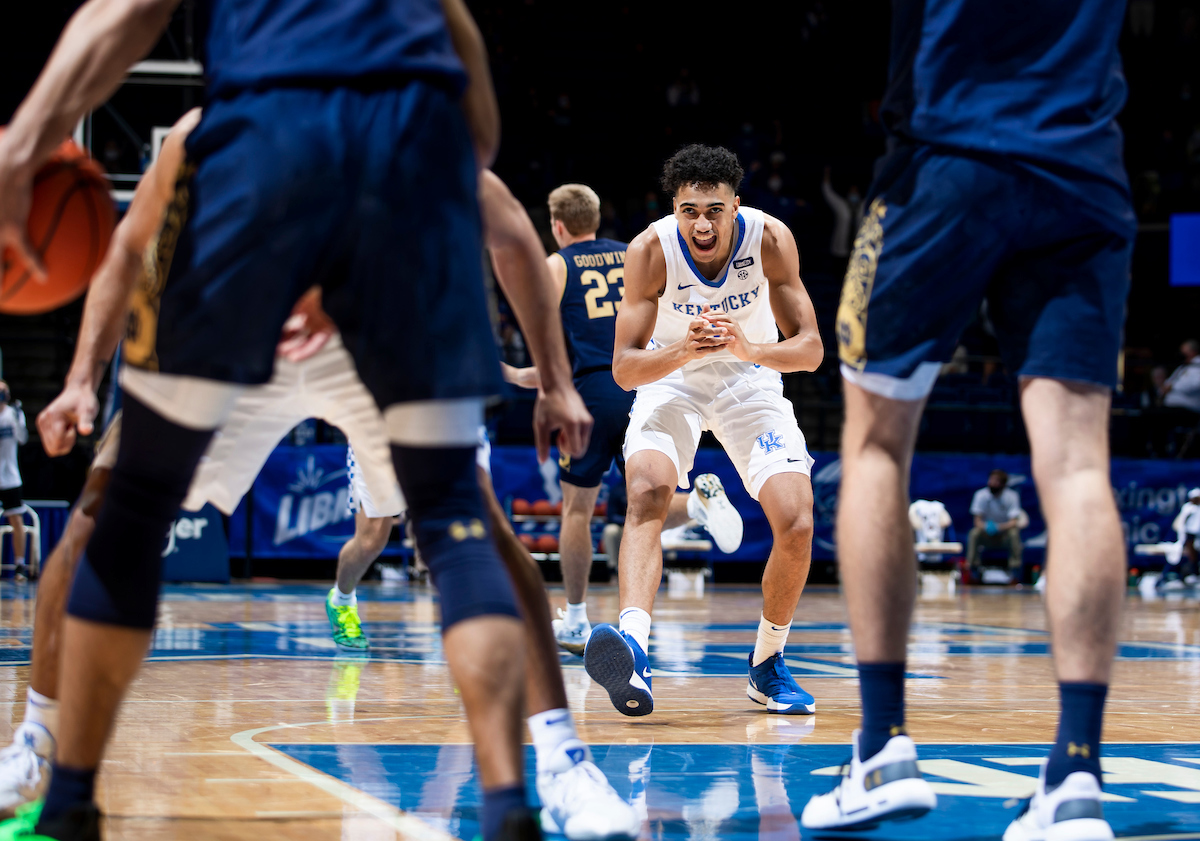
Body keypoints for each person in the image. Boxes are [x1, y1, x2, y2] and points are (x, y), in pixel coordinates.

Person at [0, 1, 592, 839]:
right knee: (102, 512)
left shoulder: (235, 116)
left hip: (305, 270)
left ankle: (562, 755)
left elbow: (512, 231)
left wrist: (24, 143)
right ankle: (35, 739)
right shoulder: (208, 138)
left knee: (472, 528)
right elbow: (128, 251)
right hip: (329, 255)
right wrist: (79, 382)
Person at [801, 1, 1136, 837]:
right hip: (1083, 168)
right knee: (1081, 469)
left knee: (877, 443)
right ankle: (1077, 775)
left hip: (946, 160)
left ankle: (880, 746)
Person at [583, 144, 824, 718]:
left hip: (749, 378)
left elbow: (811, 350)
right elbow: (623, 368)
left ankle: (767, 664)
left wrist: (749, 347)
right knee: (644, 491)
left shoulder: (769, 240)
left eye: (714, 210)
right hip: (674, 378)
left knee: (797, 523)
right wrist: (682, 348)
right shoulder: (649, 250)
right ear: (674, 209)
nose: (702, 223)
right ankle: (635, 648)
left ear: (736, 207)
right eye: (689, 211)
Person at [537, 183, 743, 655]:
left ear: (558, 225)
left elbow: (544, 340)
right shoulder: (634, 251)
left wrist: (532, 381)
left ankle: (574, 618)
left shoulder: (558, 263)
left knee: (577, 510)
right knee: (643, 502)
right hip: (645, 380)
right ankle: (696, 507)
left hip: (590, 389)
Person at [966, 469, 1024, 581]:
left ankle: (1014, 571)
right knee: (974, 533)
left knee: (1014, 534)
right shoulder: (981, 495)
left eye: (996, 481)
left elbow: (1013, 522)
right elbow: (977, 522)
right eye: (991, 480)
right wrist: (987, 527)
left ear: (1003, 484)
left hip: (1004, 535)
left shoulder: (1012, 496)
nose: (992, 483)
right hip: (986, 534)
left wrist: (999, 527)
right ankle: (973, 571)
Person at [0, 382, 28, 575]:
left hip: (10, 476)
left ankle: (20, 565)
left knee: (16, 519)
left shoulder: (14, 414)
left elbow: (23, 438)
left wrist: (17, 418)